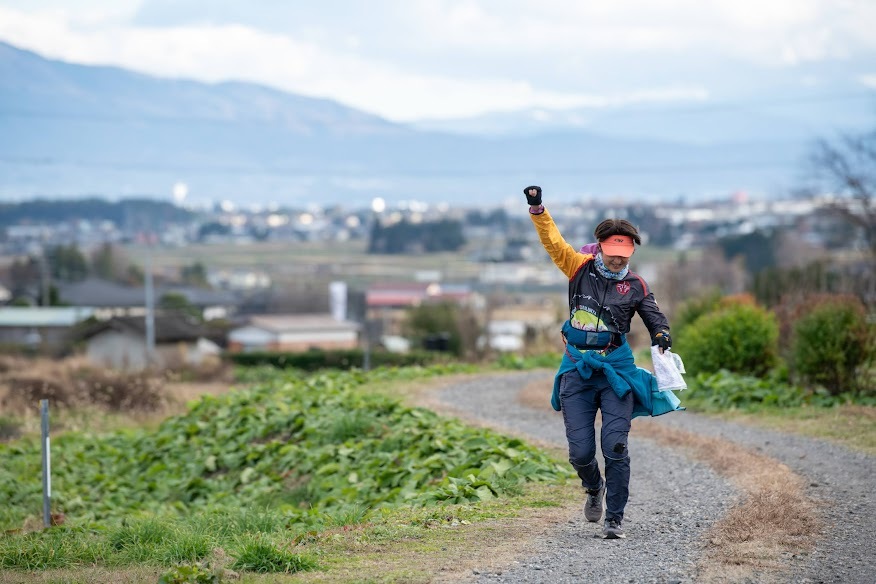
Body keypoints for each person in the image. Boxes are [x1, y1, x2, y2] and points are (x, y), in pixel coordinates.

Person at [524, 185, 682, 539]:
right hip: (578, 369)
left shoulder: (636, 285)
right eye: (613, 251)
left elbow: (653, 315)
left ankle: (615, 518)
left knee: (615, 445)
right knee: (580, 452)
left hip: (616, 371)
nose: (618, 259)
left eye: (624, 253)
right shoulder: (578, 268)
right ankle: (593, 487)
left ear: (631, 252)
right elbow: (553, 242)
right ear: (601, 248)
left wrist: (662, 334)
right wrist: (537, 209)